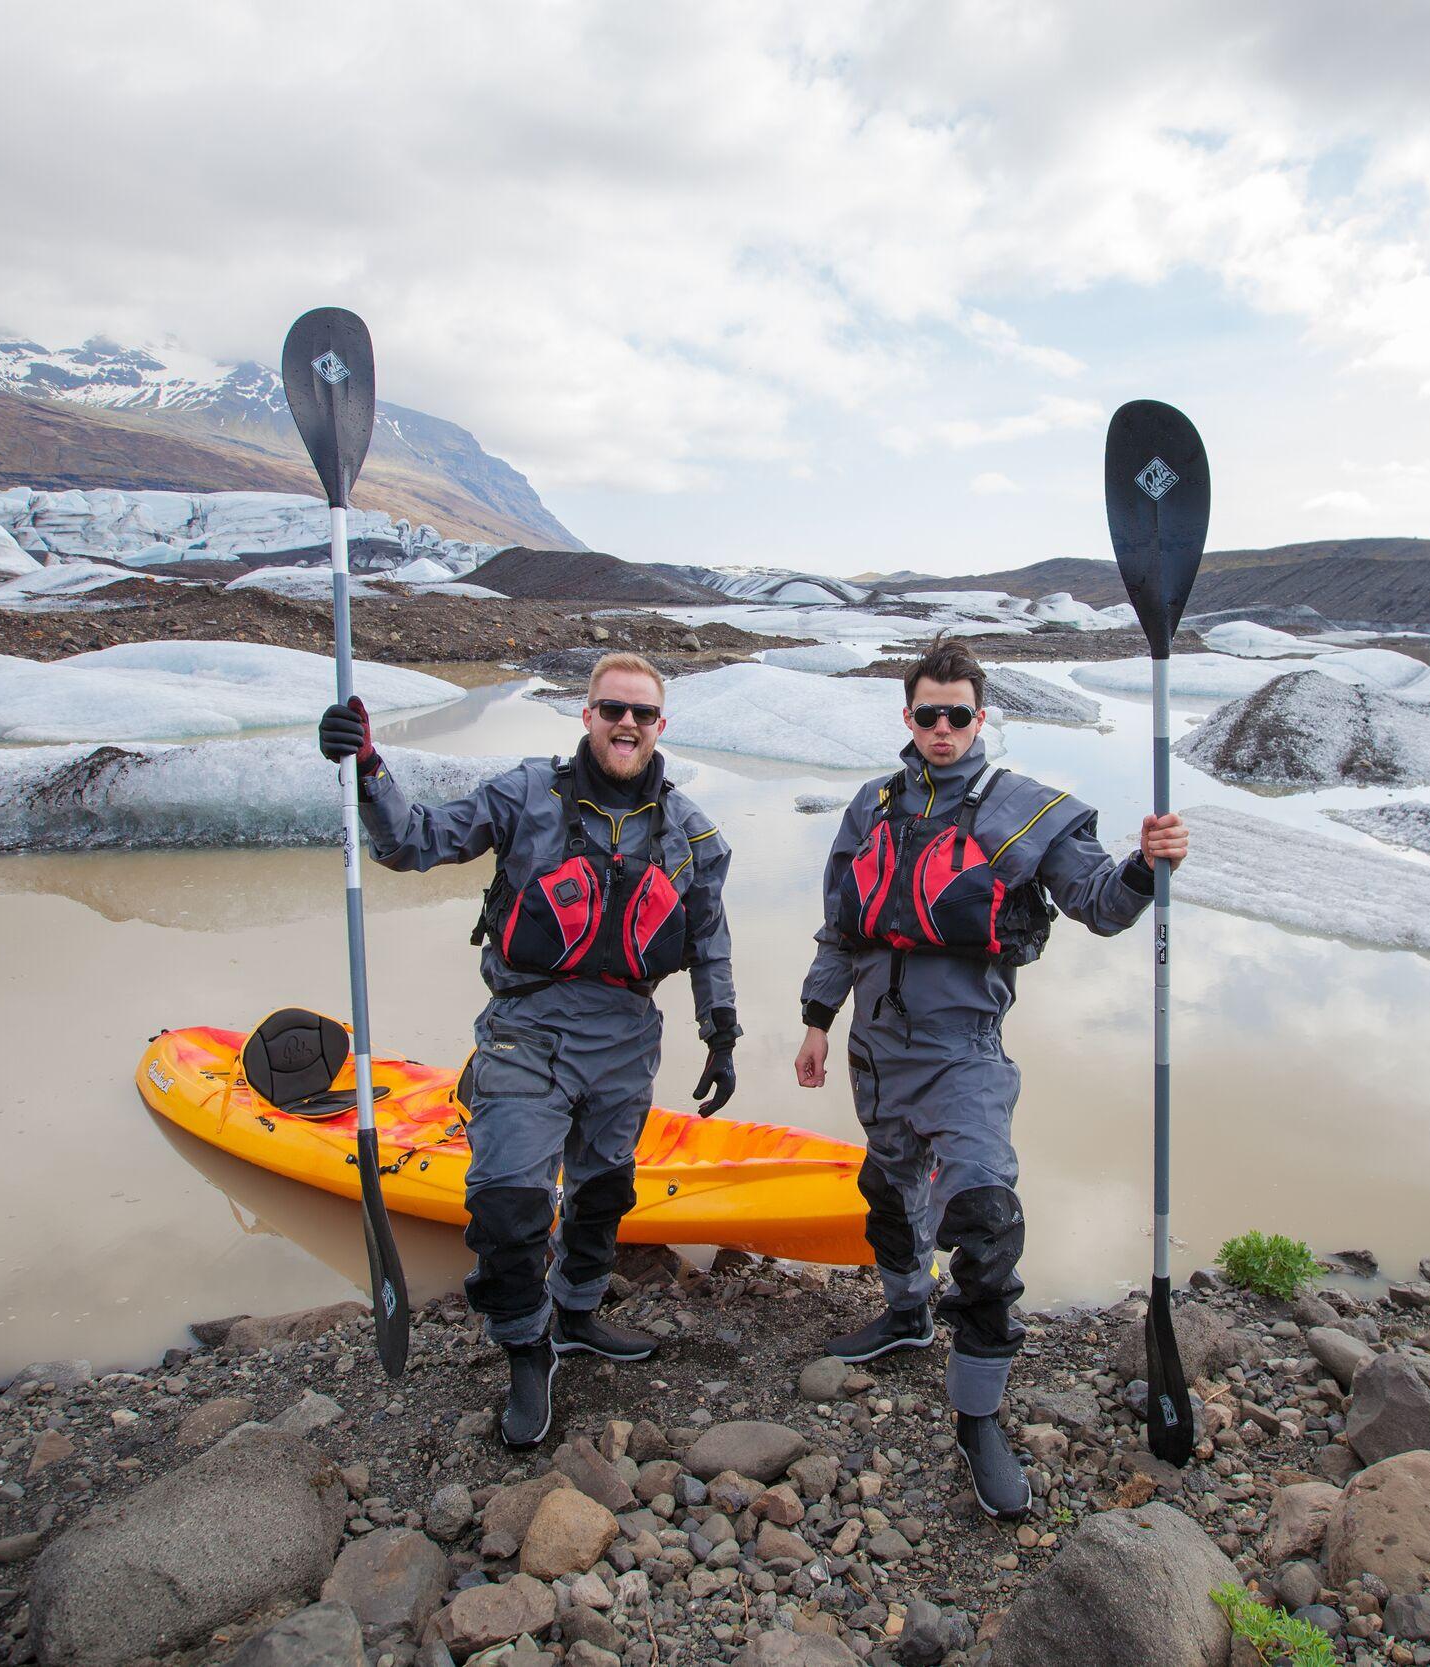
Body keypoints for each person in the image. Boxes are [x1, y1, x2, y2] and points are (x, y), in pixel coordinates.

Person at [792, 637, 1185, 1518]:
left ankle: (978, 1417)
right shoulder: (871, 806)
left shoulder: (1021, 810)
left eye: (958, 714)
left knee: (984, 1218)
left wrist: (1144, 865)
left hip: (963, 1050)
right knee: (888, 1191)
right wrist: (817, 1019)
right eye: (927, 714)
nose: (942, 728)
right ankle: (906, 1315)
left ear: (981, 717)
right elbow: (841, 929)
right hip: (873, 1047)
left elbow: (1100, 905)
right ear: (908, 716)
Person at [317, 652, 738, 1449]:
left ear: (660, 725)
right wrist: (369, 770)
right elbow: (413, 841)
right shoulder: (525, 794)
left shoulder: (692, 832)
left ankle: (577, 1313)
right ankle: (526, 1348)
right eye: (612, 708)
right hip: (526, 1028)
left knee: (603, 1194)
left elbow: (710, 939)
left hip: (626, 1038)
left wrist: (721, 1033)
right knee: (508, 1205)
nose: (626, 723)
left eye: (642, 713)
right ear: (587, 714)